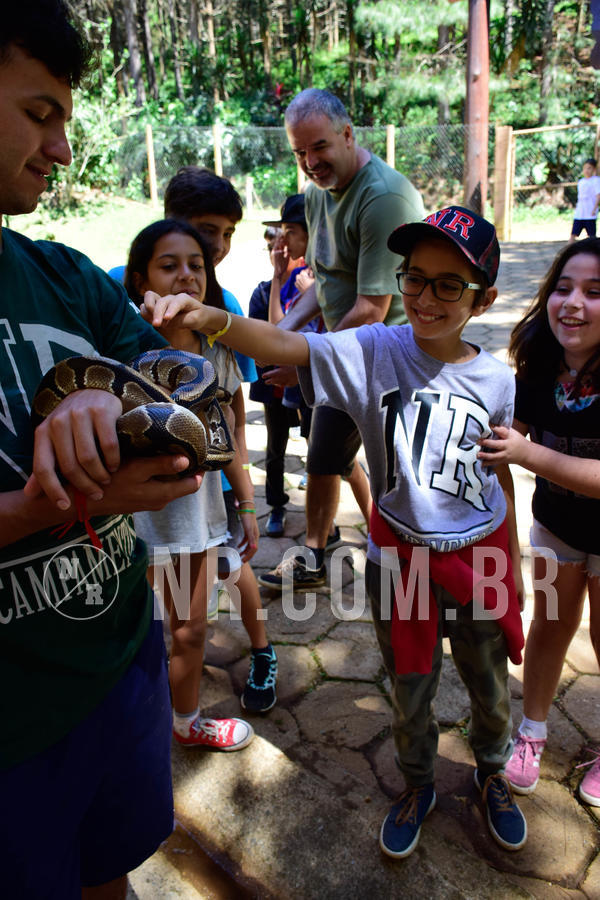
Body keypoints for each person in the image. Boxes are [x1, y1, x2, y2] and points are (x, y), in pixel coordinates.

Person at [141, 205, 528, 857]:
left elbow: (503, 476)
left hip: (480, 554)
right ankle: (415, 783)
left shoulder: (496, 379)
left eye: (448, 285)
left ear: (484, 299)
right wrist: (219, 323)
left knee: (488, 681)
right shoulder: (377, 351)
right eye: (414, 278)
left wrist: (511, 562)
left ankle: (493, 772)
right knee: (411, 684)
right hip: (400, 555)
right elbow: (294, 346)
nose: (425, 297)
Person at [0, 4, 203, 897]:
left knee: (111, 867)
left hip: (120, 662)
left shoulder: (62, 275)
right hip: (11, 728)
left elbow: (189, 387)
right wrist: (49, 506)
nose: (61, 149)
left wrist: (96, 386)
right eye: (38, 114)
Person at [258, 88, 425, 591]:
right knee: (324, 453)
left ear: (349, 135)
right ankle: (314, 551)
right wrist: (279, 333)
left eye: (320, 148)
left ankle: (411, 558)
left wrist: (307, 361)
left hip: (391, 360)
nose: (310, 163)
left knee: (395, 468)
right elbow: (326, 283)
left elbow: (372, 311)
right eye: (299, 152)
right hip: (343, 347)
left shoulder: (384, 199)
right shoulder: (315, 193)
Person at [125, 220, 278, 720]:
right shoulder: (121, 348)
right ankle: (140, 723)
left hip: (200, 515)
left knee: (190, 630)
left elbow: (231, 438)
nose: (186, 276)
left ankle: (184, 723)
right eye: (168, 266)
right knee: (138, 632)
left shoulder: (219, 351)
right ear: (139, 278)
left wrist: (249, 505)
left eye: (197, 266)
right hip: (134, 519)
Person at [479, 237, 600, 807]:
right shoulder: (538, 361)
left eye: (595, 292)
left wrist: (527, 456)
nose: (573, 303)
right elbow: (514, 435)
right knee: (550, 627)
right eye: (564, 287)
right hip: (555, 526)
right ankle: (531, 732)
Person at [163, 166, 258, 614]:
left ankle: (261, 650)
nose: (218, 246)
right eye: (207, 231)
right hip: (149, 482)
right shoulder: (118, 291)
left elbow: (234, 411)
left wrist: (247, 497)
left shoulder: (226, 308)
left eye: (228, 233)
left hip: (214, 474)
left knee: (228, 563)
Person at [249, 196, 321, 538]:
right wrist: (277, 279)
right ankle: (276, 506)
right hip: (276, 384)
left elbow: (289, 331)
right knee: (275, 445)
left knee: (317, 444)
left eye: (288, 234)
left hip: (309, 382)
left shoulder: (317, 287)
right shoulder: (264, 292)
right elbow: (273, 334)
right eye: (275, 239)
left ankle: (321, 518)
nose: (280, 244)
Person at [569, 158, 600, 242]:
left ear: (594, 169)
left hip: (590, 214)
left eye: (589, 168)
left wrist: (594, 209)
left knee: (591, 237)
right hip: (580, 213)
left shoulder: (596, 181)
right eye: (585, 168)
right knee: (573, 235)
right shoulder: (581, 182)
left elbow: (598, 196)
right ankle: (567, 253)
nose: (587, 170)